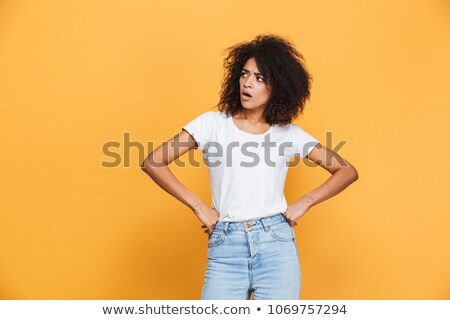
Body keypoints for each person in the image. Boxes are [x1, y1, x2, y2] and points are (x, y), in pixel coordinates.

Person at [141, 34, 359, 300]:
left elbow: (347, 171)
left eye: (259, 78)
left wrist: (306, 201)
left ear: (277, 86)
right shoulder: (212, 124)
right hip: (226, 247)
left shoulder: (288, 133)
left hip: (277, 246)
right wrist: (199, 207)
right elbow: (153, 162)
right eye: (245, 74)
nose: (247, 83)